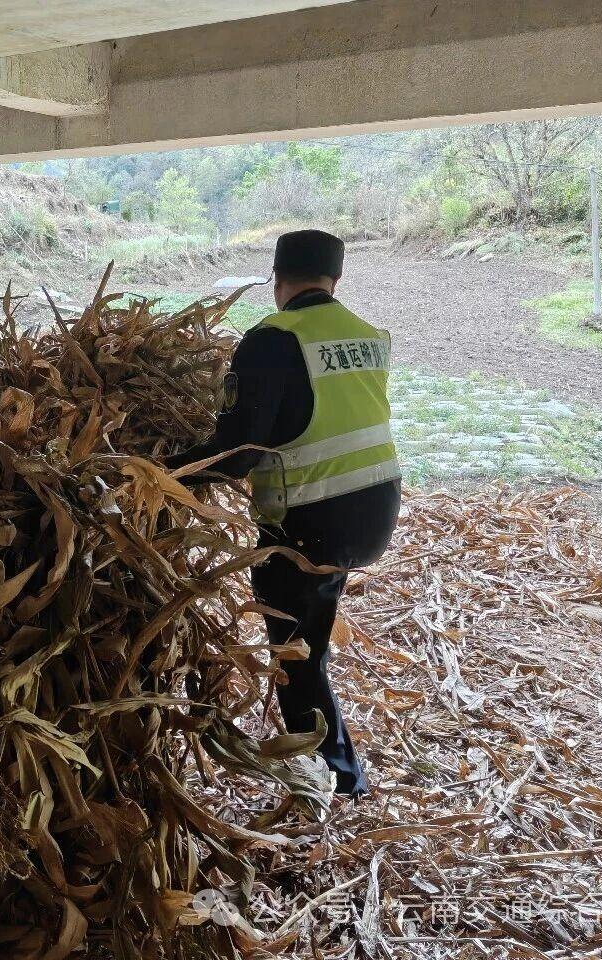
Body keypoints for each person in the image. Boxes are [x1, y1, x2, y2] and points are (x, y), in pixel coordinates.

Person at [164, 229, 400, 796]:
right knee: (309, 641)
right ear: (335, 279)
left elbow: (237, 452)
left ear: (277, 279)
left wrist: (157, 473)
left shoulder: (272, 339)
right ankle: (332, 768)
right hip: (376, 507)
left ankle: (335, 782)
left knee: (294, 657)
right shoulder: (368, 335)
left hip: (309, 522)